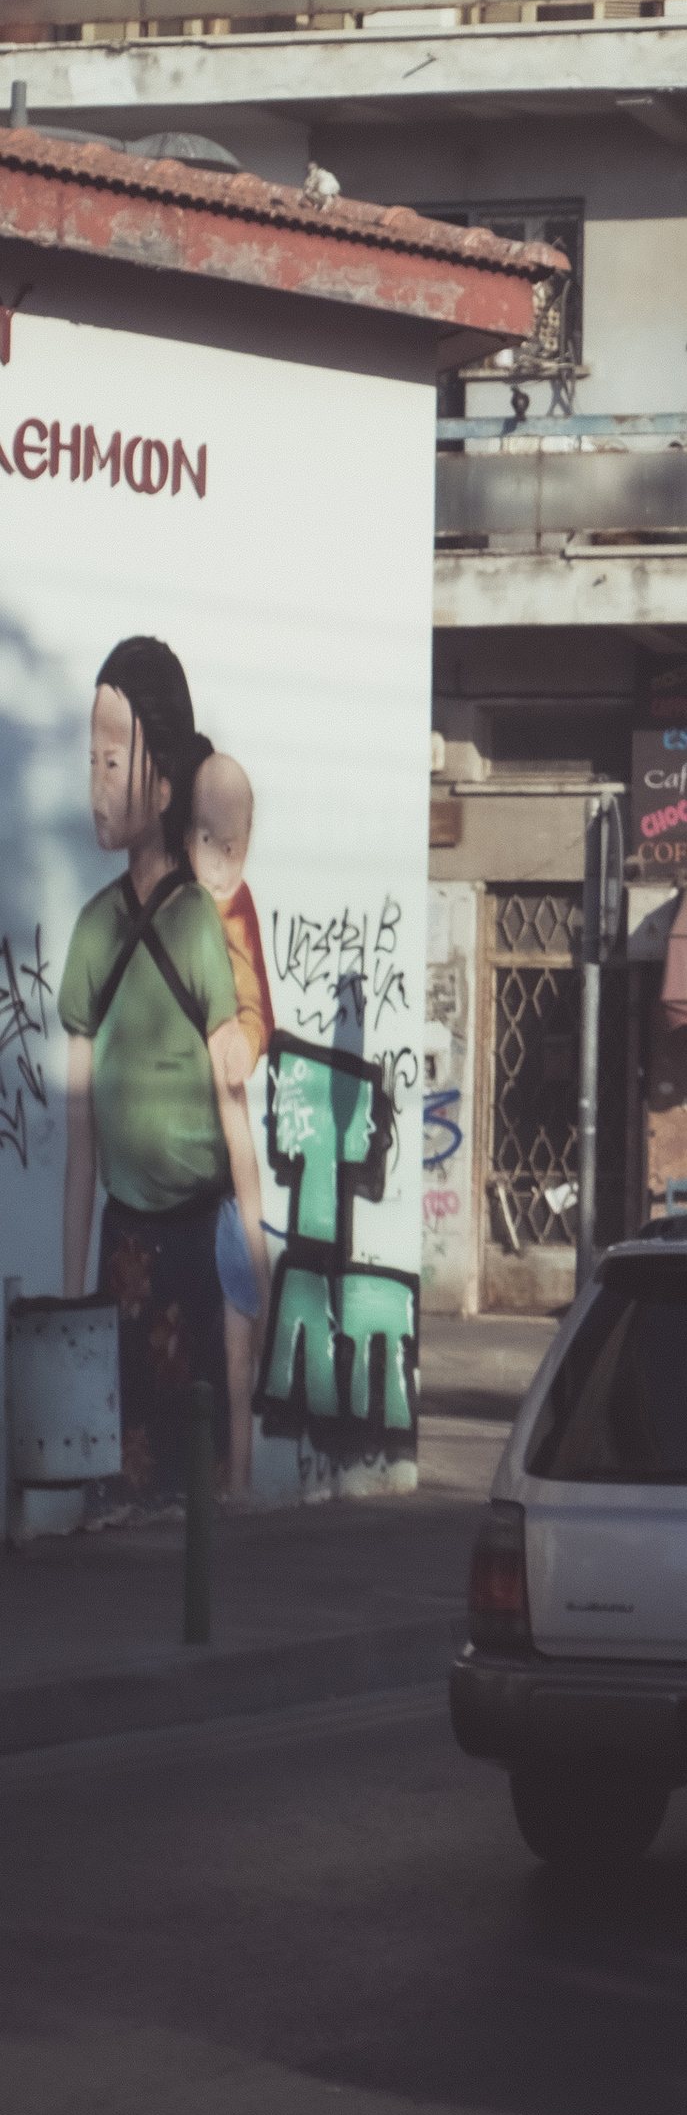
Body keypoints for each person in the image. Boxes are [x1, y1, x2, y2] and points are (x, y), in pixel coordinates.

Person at [58, 639, 258, 1511]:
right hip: (126, 1246)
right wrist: (68, 1305)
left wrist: (250, 1250)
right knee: (130, 1468)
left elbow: (234, 1116)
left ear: (166, 786)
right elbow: (78, 1145)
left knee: (199, 1468)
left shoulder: (199, 930)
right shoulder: (92, 933)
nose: (99, 783)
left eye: (115, 760)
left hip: (197, 1239)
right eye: (90, 760)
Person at [190, 752, 276, 1501]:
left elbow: (259, 1009)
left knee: (237, 1322)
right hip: (192, 1151)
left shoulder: (236, 906)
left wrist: (243, 1044)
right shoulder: (175, 907)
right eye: (207, 839)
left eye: (233, 845)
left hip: (227, 1152)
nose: (221, 861)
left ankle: (240, 1484)